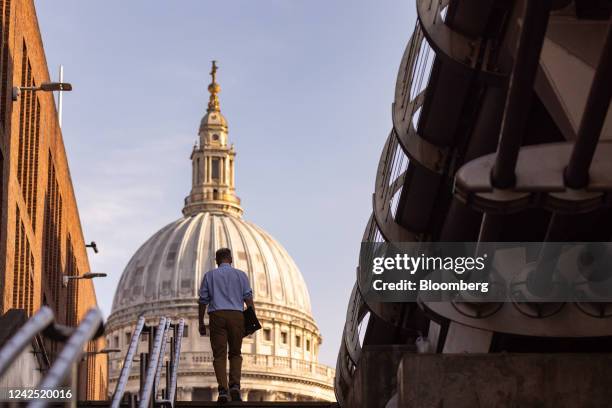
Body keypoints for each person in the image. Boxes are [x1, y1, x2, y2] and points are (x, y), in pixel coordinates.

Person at [198, 248, 254, 403]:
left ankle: (223, 390)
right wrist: (251, 320)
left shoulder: (210, 276)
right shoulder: (241, 275)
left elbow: (203, 301)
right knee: (235, 353)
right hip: (237, 315)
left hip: (217, 316)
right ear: (230, 259)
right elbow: (248, 299)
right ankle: (235, 385)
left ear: (217, 261)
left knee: (219, 355)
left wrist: (201, 322)